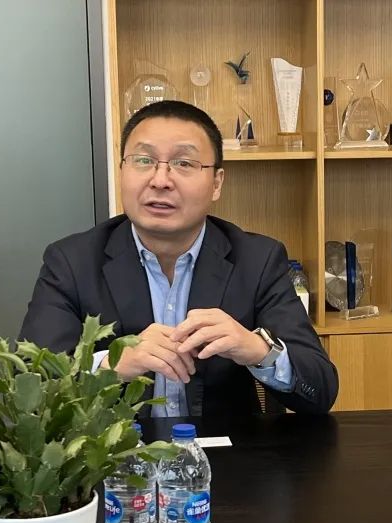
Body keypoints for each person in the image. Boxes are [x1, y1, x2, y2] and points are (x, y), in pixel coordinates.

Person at [20, 100, 338, 416]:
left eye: (184, 163)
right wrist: (110, 365)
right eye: (143, 160)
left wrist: (257, 350)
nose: (160, 180)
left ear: (216, 183)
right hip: (113, 447)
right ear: (121, 171)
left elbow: (320, 390)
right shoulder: (72, 262)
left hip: (225, 448)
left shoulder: (258, 260)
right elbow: (29, 389)